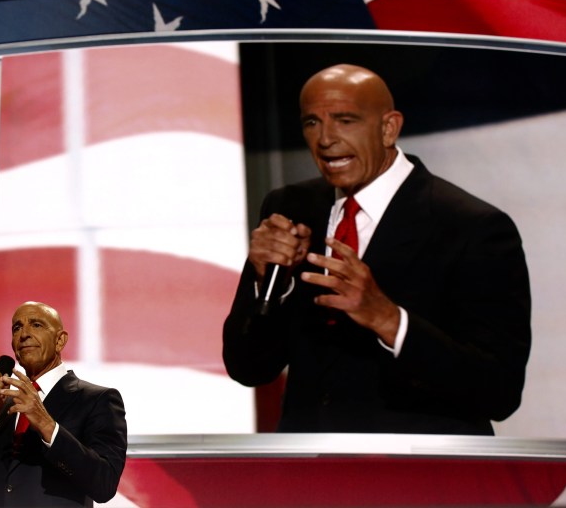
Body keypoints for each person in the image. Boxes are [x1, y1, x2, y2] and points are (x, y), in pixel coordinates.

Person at [223, 64, 531, 435]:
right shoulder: (290, 206)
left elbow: (500, 392)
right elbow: (248, 368)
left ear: (389, 128)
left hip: (419, 477)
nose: (325, 139)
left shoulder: (472, 227)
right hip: (312, 477)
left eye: (344, 120)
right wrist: (270, 282)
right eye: (311, 123)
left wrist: (387, 319)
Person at [0, 301, 127, 507]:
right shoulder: (2, 405)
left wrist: (47, 426)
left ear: (60, 340)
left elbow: (104, 485)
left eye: (36, 325)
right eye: (17, 328)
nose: (24, 334)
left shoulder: (97, 399)